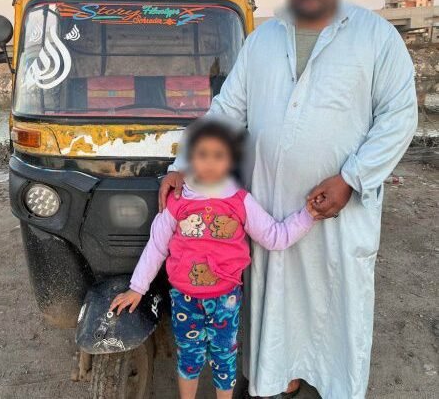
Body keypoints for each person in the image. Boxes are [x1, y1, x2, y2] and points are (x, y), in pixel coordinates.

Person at [158, 0, 418, 398]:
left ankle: (334, 383)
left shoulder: (375, 37)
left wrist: (352, 178)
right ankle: (282, 377)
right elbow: (227, 110)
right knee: (279, 300)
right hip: (273, 205)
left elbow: (399, 116)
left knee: (334, 301)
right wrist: (183, 165)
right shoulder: (264, 39)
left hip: (340, 212)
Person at [111, 119, 319, 399]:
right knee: (189, 359)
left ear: (230, 160)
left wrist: (308, 216)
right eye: (202, 154)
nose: (209, 163)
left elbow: (274, 236)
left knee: (224, 360)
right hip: (184, 299)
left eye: (218, 155)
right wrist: (137, 288)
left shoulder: (239, 201)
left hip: (225, 301)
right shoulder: (177, 201)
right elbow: (157, 246)